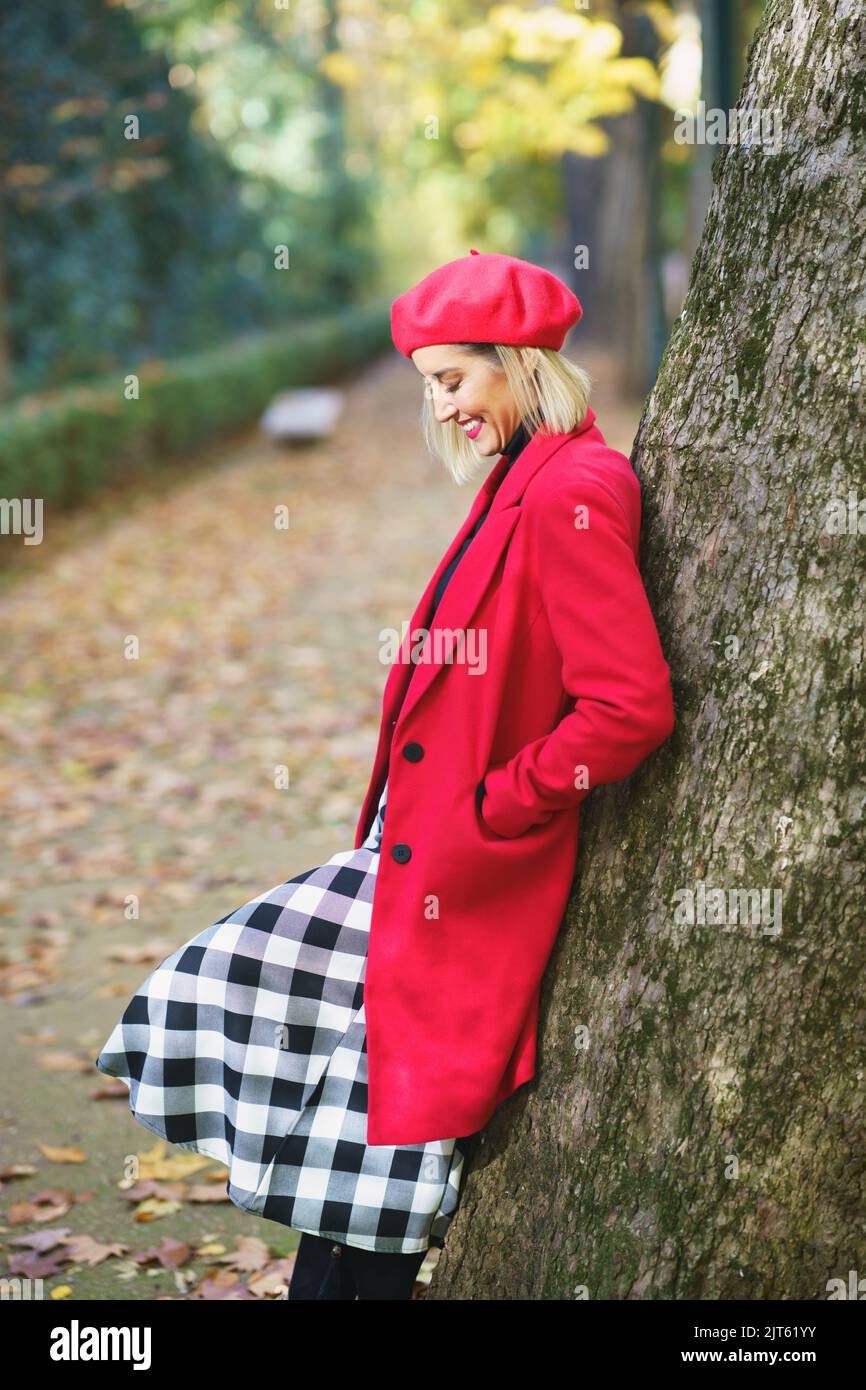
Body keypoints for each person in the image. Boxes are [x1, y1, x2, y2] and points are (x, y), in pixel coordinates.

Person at [95, 250, 675, 1300]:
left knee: (375, 1163)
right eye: (428, 386)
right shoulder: (521, 479)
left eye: (454, 379)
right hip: (407, 861)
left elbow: (626, 708)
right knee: (240, 1005)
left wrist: (493, 807)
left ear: (520, 363)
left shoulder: (571, 489)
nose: (442, 406)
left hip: (464, 870)